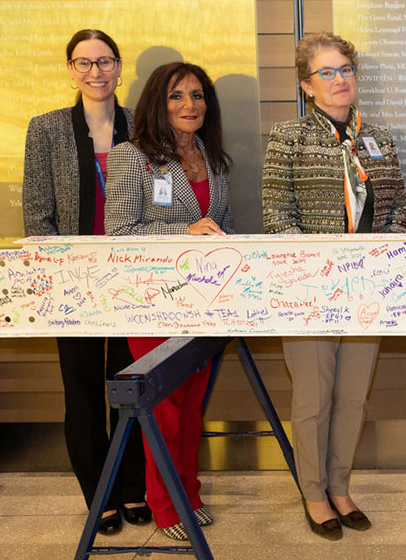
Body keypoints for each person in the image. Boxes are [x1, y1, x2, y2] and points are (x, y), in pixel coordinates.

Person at [262, 32, 406, 541]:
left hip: (367, 291)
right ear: (307, 86)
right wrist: (321, 271)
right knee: (313, 398)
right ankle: (313, 490)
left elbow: (397, 211)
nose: (340, 79)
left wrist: (383, 253)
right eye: (327, 72)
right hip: (311, 292)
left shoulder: (380, 139)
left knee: (352, 397)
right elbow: (277, 217)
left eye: (346, 69)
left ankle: (341, 486)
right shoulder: (289, 138)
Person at [22, 29, 149, 535]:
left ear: (119, 67)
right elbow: (37, 212)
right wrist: (70, 271)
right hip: (73, 283)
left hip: (132, 281)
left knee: (131, 387)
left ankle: (134, 487)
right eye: (83, 63)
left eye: (105, 61)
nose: (95, 72)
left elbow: (157, 201)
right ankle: (102, 497)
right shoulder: (47, 129)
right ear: (70, 69)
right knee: (81, 391)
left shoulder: (142, 127)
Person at [105, 61, 234, 540]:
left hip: (204, 303)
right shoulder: (130, 157)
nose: (190, 105)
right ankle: (163, 505)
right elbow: (119, 233)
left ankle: (189, 492)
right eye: (177, 96)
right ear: (158, 104)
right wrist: (184, 230)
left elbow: (223, 225)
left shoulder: (213, 157)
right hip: (153, 302)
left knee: (192, 406)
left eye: (198, 96)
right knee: (165, 409)